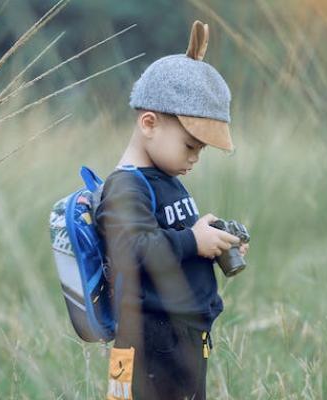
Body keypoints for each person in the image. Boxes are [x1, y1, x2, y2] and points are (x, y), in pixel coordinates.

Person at [96, 20, 249, 400]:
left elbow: (170, 242)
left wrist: (210, 242)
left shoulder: (164, 176)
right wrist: (192, 240)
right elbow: (134, 250)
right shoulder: (126, 185)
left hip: (183, 338)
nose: (196, 158)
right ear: (149, 123)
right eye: (190, 145)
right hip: (148, 342)